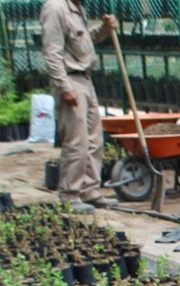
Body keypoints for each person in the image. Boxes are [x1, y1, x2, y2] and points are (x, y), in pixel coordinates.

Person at [40, 0, 118, 213]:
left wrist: (104, 30)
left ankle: (89, 191)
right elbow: (52, 52)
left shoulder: (78, 9)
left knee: (94, 139)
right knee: (76, 140)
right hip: (70, 80)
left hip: (85, 79)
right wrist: (64, 86)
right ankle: (69, 195)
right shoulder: (55, 8)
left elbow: (85, 41)